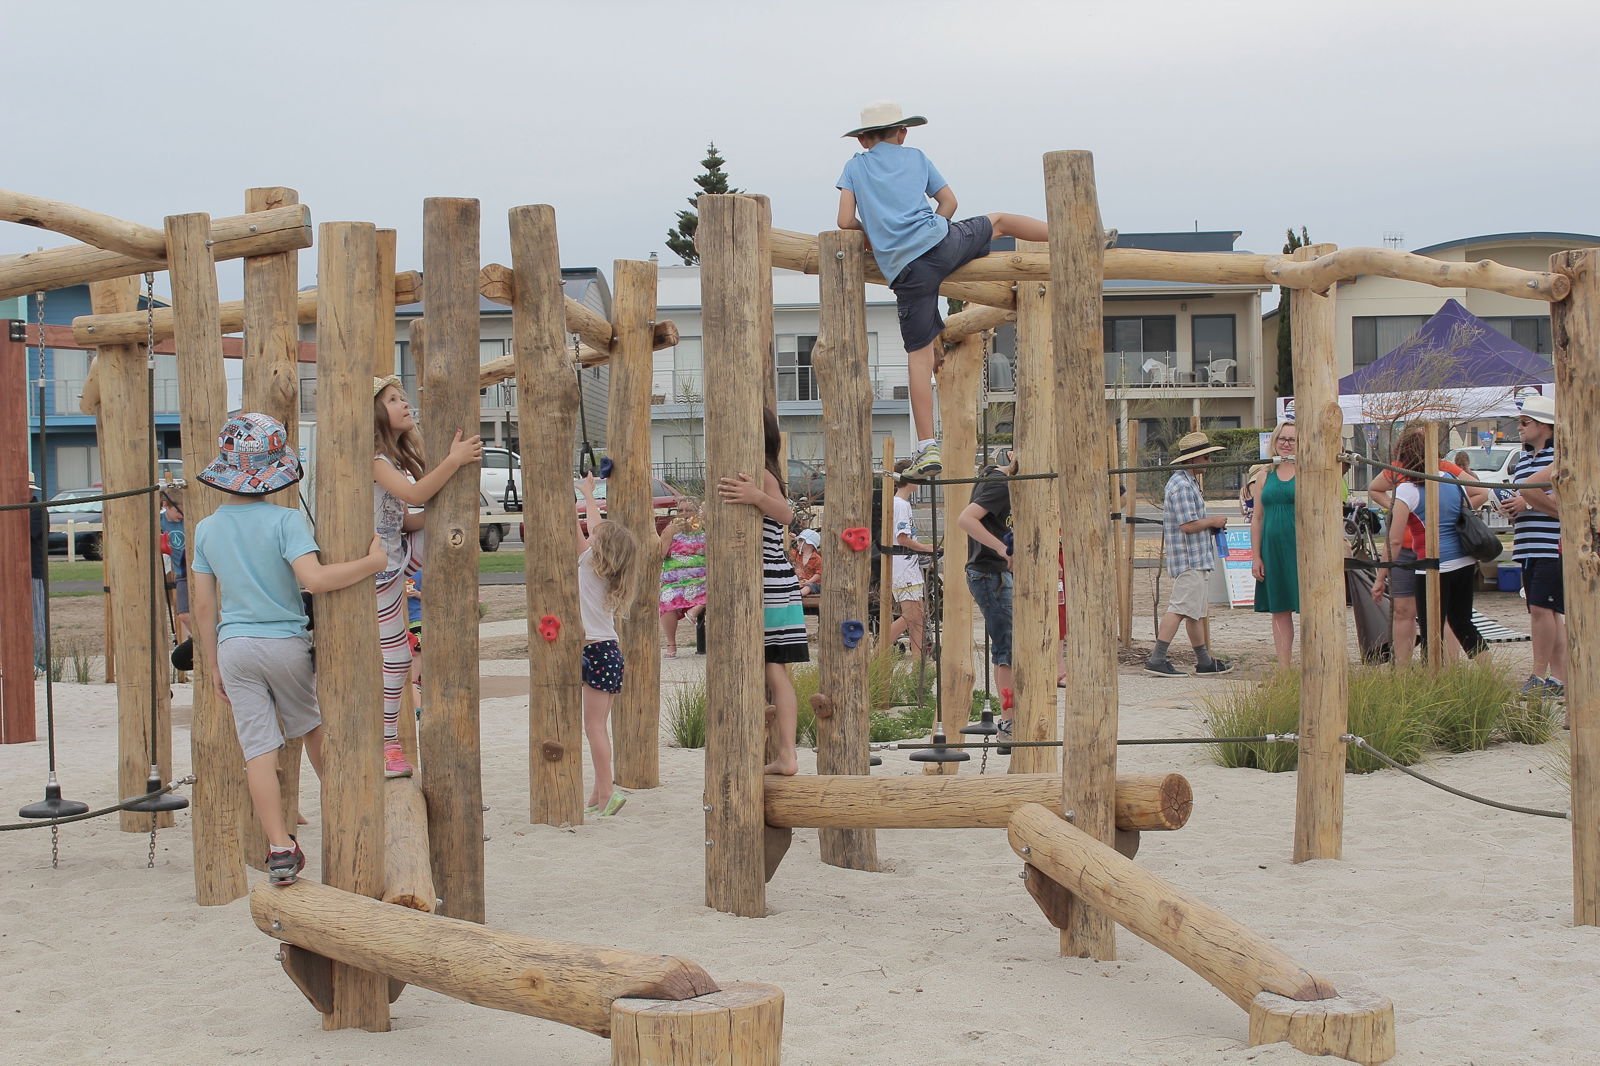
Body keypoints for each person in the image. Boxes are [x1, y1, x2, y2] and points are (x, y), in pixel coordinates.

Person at [835, 102, 1110, 478]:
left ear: (864, 139)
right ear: (903, 132)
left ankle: (927, 447)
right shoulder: (916, 156)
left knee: (918, 356)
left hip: (905, 269)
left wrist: (878, 239)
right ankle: (1082, 234)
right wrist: (934, 229)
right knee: (998, 222)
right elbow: (949, 202)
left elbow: (844, 220)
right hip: (941, 243)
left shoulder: (854, 166)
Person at [188, 412, 390, 885]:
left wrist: (211, 662)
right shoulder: (287, 520)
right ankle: (345, 810)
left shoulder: (206, 529)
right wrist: (372, 561)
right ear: (276, 472)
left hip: (233, 646)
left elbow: (202, 604)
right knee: (310, 725)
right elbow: (315, 581)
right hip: (283, 642)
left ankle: (279, 846)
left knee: (257, 748)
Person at [371, 375, 482, 777]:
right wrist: (453, 461)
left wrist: (447, 517)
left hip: (392, 567)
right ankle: (386, 745)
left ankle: (387, 742)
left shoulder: (390, 461)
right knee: (398, 659)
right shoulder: (375, 461)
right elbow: (415, 497)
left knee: (397, 656)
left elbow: (407, 518)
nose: (405, 404)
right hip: (377, 573)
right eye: (393, 399)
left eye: (403, 397)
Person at [717, 408, 808, 775]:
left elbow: (787, 515)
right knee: (770, 668)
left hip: (772, 583)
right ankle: (783, 752)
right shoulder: (759, 472)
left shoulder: (766, 475)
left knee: (774, 669)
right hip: (771, 582)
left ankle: (788, 754)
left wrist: (755, 495)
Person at [1368, 426, 1484, 664]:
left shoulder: (1445, 470)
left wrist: (1454, 515)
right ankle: (1403, 672)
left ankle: (1445, 667)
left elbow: (1480, 492)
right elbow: (1374, 489)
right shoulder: (1398, 472)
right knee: (1405, 610)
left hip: (1437, 552)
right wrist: (1400, 508)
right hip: (1410, 550)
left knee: (1446, 616)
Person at [576, 473, 639, 816]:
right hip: (606, 652)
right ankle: (598, 792)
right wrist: (587, 493)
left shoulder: (588, 564)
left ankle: (608, 790)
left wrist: (570, 505)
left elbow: (585, 529)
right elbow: (597, 526)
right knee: (597, 725)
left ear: (600, 546)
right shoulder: (601, 566)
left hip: (596, 651)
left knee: (594, 726)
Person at [1146, 432, 1233, 677]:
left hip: (1194, 557)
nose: (1209, 462)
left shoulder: (1187, 482)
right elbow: (1187, 525)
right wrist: (1213, 521)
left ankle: (1204, 661)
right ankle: (1157, 657)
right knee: (1180, 608)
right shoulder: (1183, 486)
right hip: (1189, 558)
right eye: (1206, 457)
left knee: (1194, 610)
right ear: (1194, 459)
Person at [1497, 395, 1565, 696]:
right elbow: (1527, 498)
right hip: (1527, 543)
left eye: (1525, 423)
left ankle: (1538, 674)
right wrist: (1515, 506)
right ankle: (1560, 679)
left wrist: (1527, 503)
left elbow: (1563, 499)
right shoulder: (1523, 458)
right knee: (1544, 611)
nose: (1520, 428)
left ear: (1545, 426)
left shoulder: (1560, 457)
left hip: (1551, 543)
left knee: (1542, 609)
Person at [958, 449, 1017, 715]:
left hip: (993, 574)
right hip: (989, 574)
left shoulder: (995, 479)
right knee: (1007, 647)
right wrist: (1002, 549)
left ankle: (1010, 716)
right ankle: (1008, 718)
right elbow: (966, 519)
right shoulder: (1000, 485)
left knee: (1008, 644)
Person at [1249, 423, 1299, 668]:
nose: (1287, 443)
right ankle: (1284, 669)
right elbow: (1257, 517)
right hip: (1272, 549)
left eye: (1292, 439)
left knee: (1309, 607)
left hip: (1300, 549)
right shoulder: (1264, 474)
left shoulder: (1307, 471)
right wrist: (1256, 556)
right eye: (1282, 438)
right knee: (1279, 608)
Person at [886, 461, 935, 655]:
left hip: (908, 565)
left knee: (918, 617)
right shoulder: (900, 505)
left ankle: (918, 663)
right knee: (912, 615)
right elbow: (902, 538)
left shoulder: (901, 503)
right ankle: (876, 652)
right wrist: (924, 547)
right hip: (904, 566)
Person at [658, 499, 707, 658]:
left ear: (696, 512)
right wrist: (669, 533)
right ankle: (671, 644)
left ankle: (696, 609)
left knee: (715, 586)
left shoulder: (703, 529)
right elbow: (661, 554)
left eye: (689, 510)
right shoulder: (670, 530)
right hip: (675, 579)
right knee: (667, 597)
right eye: (680, 510)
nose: (684, 514)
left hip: (701, 577)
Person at [160, 482, 191, 650]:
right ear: (166, 505)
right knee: (183, 614)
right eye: (178, 511)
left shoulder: (188, 520)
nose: (182, 515)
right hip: (177, 573)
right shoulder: (159, 521)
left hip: (191, 570)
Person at [28, 471, 45, 674]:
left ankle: (39, 661)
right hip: (16, 572)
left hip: (33, 570)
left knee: (35, 617)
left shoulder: (37, 510)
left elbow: (27, 534)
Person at [791, 528, 823, 598]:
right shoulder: (797, 555)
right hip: (800, 582)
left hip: (814, 583)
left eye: (800, 541)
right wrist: (792, 538)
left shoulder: (817, 558)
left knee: (809, 587)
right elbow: (789, 551)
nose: (797, 543)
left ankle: (797, 596)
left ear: (810, 544)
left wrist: (809, 581)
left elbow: (818, 574)